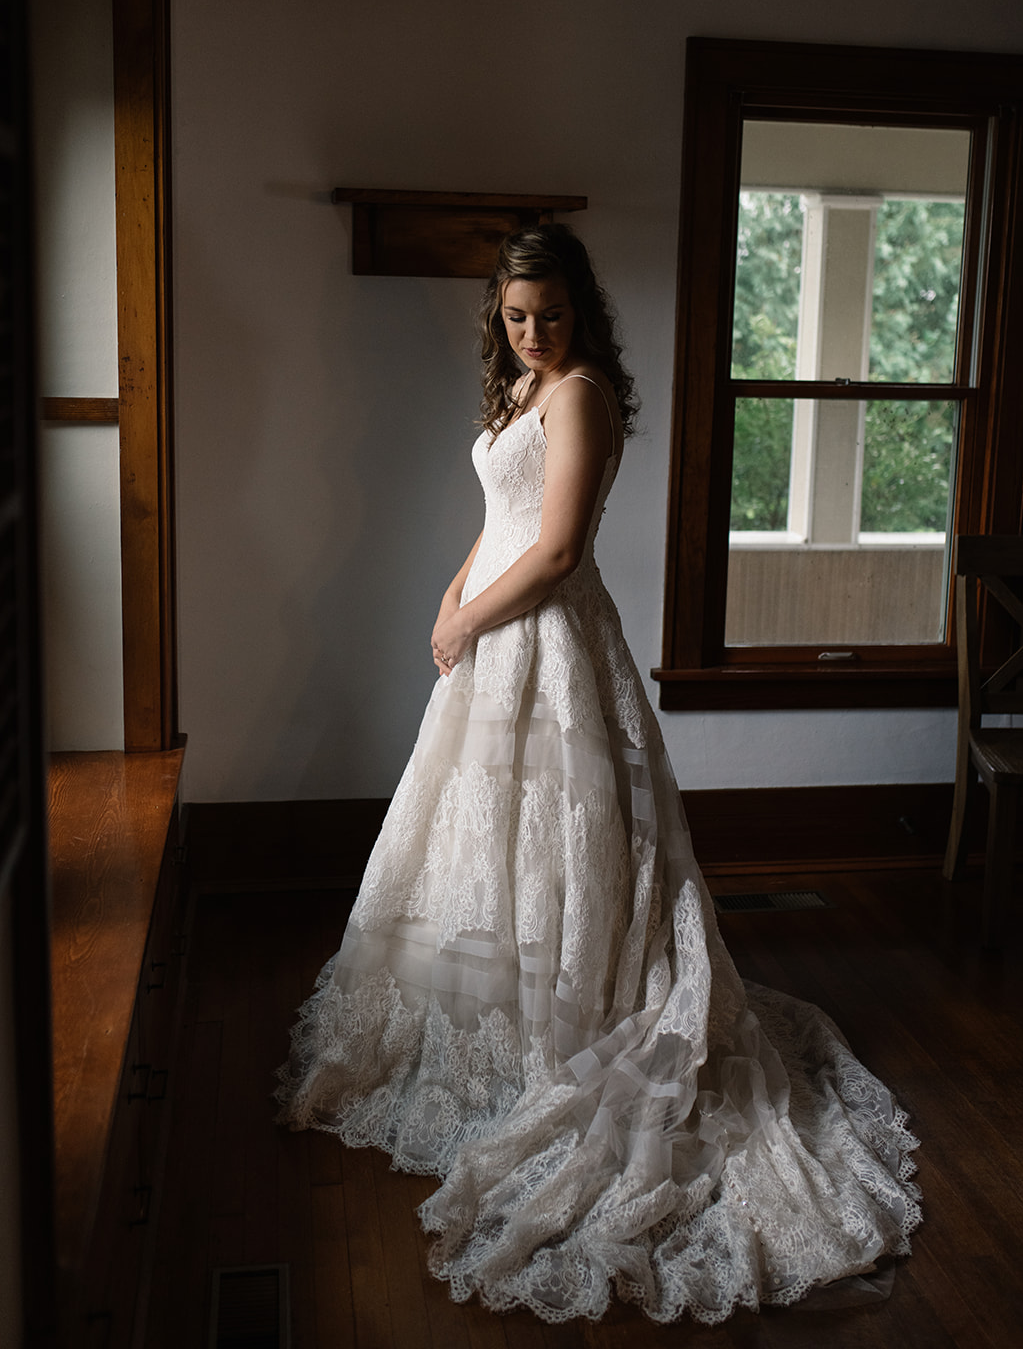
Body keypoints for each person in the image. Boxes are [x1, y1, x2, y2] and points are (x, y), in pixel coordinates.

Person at [275, 224, 921, 1326]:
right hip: (490, 627)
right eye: (516, 317)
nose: (532, 334)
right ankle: (494, 1025)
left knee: (556, 839)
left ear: (583, 313)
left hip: (546, 639)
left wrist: (473, 614)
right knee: (482, 840)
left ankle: (559, 1022)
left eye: (551, 315)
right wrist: (448, 599)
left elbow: (558, 546)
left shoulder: (577, 393)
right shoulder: (524, 389)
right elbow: (500, 518)